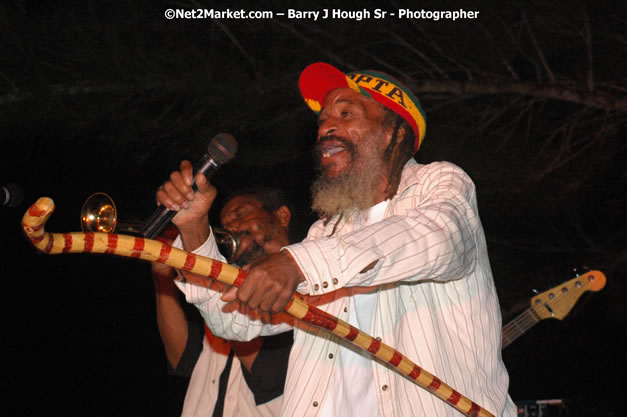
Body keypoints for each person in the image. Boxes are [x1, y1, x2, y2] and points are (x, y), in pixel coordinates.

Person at [159, 62, 517, 416]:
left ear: (393, 132)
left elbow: (436, 240)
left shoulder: (440, 185)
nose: (326, 127)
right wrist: (194, 229)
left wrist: (298, 264)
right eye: (323, 121)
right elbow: (232, 321)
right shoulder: (325, 233)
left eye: (346, 114)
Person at [151, 187, 296, 417]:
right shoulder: (222, 283)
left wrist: (195, 244)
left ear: (282, 216)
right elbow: (182, 360)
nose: (230, 227)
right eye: (225, 223)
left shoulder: (304, 284)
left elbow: (266, 375)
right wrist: (162, 274)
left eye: (239, 214)